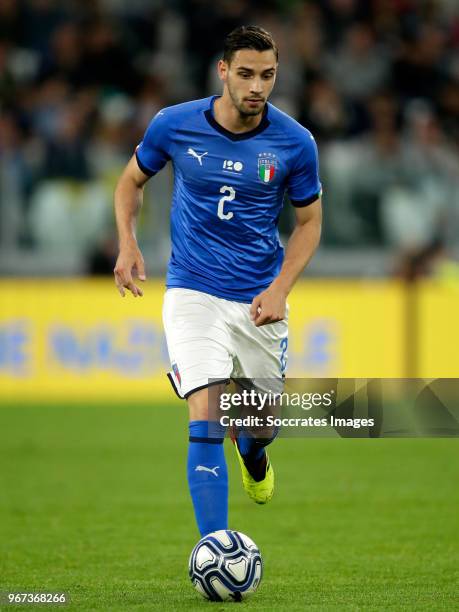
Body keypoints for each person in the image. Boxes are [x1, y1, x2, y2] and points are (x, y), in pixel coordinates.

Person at [113, 26, 322, 537]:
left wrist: (280, 289)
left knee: (259, 427)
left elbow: (310, 223)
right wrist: (128, 241)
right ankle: (216, 547)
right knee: (205, 415)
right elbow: (130, 181)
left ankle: (252, 454)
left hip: (258, 299)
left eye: (268, 76)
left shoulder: (295, 143)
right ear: (223, 71)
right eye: (246, 74)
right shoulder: (175, 124)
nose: (257, 86)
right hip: (192, 290)